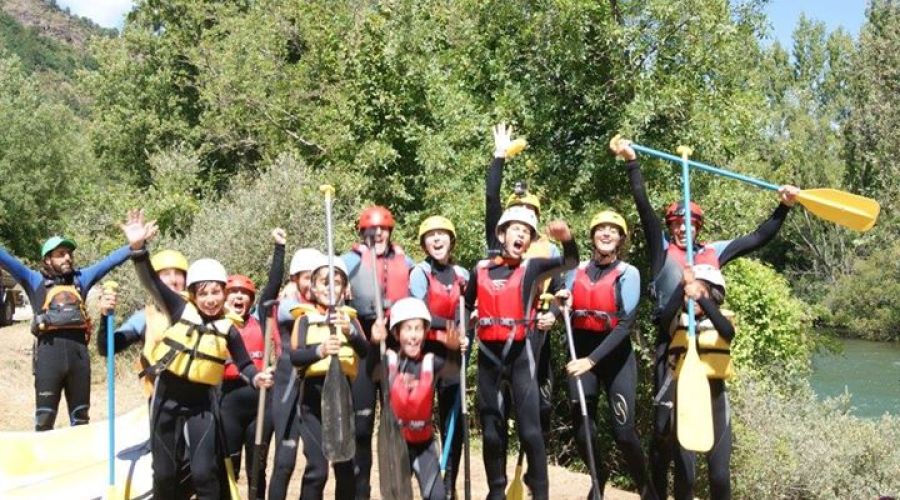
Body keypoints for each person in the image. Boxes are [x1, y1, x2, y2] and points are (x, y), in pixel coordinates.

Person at [610, 137, 799, 497]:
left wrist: (784, 207)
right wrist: (632, 163)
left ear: (699, 226)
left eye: (690, 223)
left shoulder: (714, 253)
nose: (684, 228)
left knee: (710, 462)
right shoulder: (662, 250)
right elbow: (644, 209)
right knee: (663, 435)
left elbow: (758, 237)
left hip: (708, 346)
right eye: (678, 223)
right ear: (672, 226)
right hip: (670, 349)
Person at [127, 216, 274, 499]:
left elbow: (244, 364)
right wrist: (138, 249)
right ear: (193, 295)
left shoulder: (228, 328)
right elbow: (151, 281)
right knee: (165, 474)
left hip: (201, 404)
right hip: (167, 398)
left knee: (205, 473)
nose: (211, 299)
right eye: (203, 293)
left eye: (216, 292)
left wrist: (257, 378)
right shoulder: (179, 308)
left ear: (224, 293)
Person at [464, 206, 578, 499]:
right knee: (492, 433)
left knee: (530, 432)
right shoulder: (480, 269)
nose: (521, 235)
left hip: (520, 358)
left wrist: (567, 238)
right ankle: (496, 493)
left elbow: (571, 261)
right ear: (501, 234)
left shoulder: (533, 268)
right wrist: (463, 333)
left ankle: (540, 494)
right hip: (488, 358)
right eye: (516, 229)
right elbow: (465, 304)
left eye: (526, 232)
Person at [0, 211, 140, 431]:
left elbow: (109, 262)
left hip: (79, 361)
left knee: (81, 420)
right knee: (44, 420)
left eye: (69, 254)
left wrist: (133, 246)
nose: (67, 257)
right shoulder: (34, 280)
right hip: (48, 361)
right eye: (61, 254)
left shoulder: (81, 279)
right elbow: (6, 259)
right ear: (47, 259)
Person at [557, 210, 656, 499]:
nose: (607, 233)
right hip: (580, 352)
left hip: (614, 358)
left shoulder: (628, 273)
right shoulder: (576, 270)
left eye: (613, 230)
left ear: (621, 239)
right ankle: (598, 476)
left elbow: (625, 324)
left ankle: (647, 491)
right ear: (592, 236)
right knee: (582, 431)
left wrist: (591, 361)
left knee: (623, 433)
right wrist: (561, 303)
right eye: (601, 229)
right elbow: (563, 305)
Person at [487, 123, 561, 446]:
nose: (524, 218)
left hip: (536, 333)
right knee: (498, 408)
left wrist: (553, 315)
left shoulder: (549, 252)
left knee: (540, 406)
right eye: (518, 212)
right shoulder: (497, 245)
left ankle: (535, 467)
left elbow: (560, 291)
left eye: (530, 213)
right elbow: (491, 196)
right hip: (502, 334)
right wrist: (499, 156)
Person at [341, 205, 414, 498]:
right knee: (361, 428)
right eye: (372, 230)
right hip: (363, 348)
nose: (378, 234)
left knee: (397, 424)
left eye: (383, 229)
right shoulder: (348, 261)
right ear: (363, 233)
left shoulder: (405, 262)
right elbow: (324, 284)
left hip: (394, 347)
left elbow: (419, 298)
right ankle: (361, 491)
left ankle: (396, 489)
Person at [280, 255, 367, 500]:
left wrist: (350, 332)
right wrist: (320, 350)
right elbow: (295, 357)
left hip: (342, 399)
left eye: (336, 283)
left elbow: (364, 351)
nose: (330, 288)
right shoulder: (304, 320)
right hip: (311, 401)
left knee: (345, 468)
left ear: (344, 288)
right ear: (314, 288)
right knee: (317, 471)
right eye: (324, 282)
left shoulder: (350, 319)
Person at [374, 297, 463, 500]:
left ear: (425, 333)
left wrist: (454, 350)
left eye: (418, 329)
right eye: (408, 329)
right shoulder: (388, 360)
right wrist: (373, 343)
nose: (413, 336)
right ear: (396, 333)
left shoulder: (431, 362)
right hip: (396, 444)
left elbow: (453, 370)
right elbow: (370, 370)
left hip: (424, 444)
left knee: (437, 497)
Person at [658, 265, 735, 499]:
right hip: (685, 398)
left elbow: (727, 332)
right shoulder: (677, 321)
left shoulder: (723, 320)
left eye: (700, 291)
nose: (691, 296)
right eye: (689, 293)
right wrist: (682, 285)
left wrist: (700, 297)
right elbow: (664, 318)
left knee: (719, 474)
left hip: (715, 398)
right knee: (685, 475)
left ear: (714, 295)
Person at [219, 228, 286, 499]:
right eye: (233, 292)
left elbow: (273, 284)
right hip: (228, 401)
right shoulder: (217, 325)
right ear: (224, 297)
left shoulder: (260, 319)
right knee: (228, 467)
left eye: (244, 293)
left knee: (257, 469)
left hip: (261, 403)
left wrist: (279, 248)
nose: (238, 297)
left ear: (251, 300)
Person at [408, 215, 469, 496]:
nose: (436, 239)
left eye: (442, 234)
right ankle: (420, 481)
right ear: (424, 244)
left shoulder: (462, 274)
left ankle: (448, 487)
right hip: (425, 354)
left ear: (451, 240)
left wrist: (467, 328)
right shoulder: (419, 273)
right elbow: (421, 313)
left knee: (452, 425)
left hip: (453, 356)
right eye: (430, 236)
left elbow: (468, 310)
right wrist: (453, 327)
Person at [97, 248, 189, 400]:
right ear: (155, 281)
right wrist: (105, 316)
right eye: (166, 274)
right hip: (160, 400)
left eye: (178, 274)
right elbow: (106, 348)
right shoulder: (143, 319)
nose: (173, 280)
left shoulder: (199, 312)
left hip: (198, 398)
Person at [268, 247, 323, 498]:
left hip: (313, 388)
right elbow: (291, 311)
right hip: (287, 383)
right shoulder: (286, 304)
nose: (311, 284)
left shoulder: (327, 306)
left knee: (318, 467)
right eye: (306, 277)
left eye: (316, 278)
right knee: (284, 462)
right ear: (295, 280)